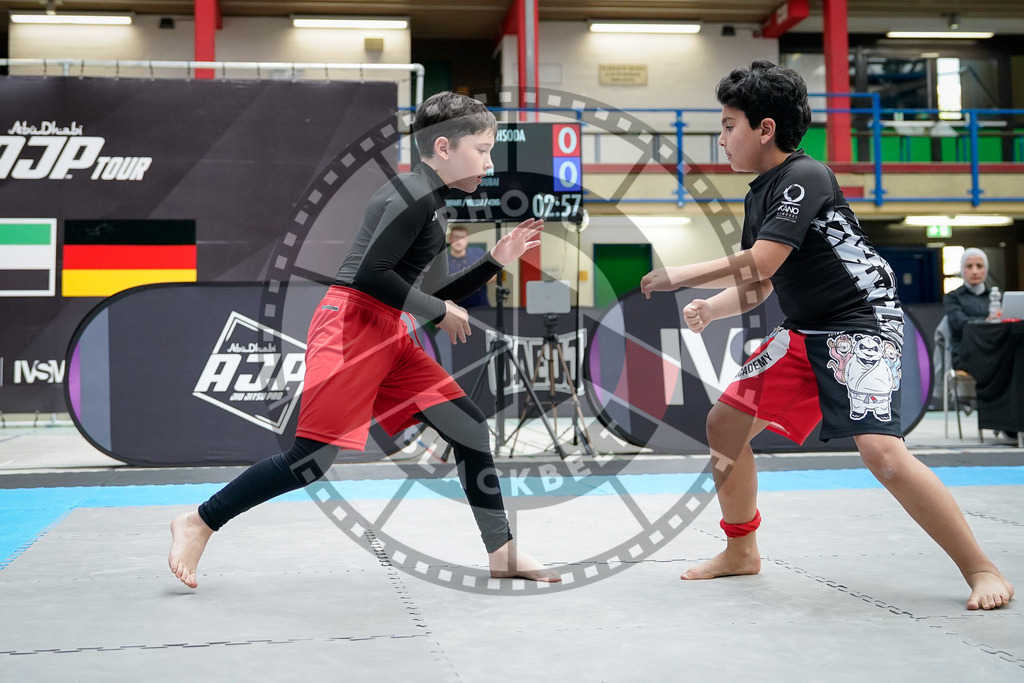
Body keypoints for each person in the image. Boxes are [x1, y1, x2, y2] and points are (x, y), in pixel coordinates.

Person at [640, 60, 1012, 610]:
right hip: (804, 331)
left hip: (862, 323)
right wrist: (712, 309)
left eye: (728, 125)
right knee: (725, 423)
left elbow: (761, 260)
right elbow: (759, 283)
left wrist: (680, 275)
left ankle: (981, 568)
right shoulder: (758, 194)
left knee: (883, 455)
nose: (720, 139)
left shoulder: (807, 175)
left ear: (765, 129)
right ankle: (741, 550)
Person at [169, 91, 560, 589]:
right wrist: (438, 312)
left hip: (387, 330)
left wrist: (494, 261)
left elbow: (433, 291)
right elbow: (372, 278)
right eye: (482, 150)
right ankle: (199, 521)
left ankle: (501, 552)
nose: (489, 163)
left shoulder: (433, 202)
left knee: (468, 428)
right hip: (351, 327)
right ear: (444, 148)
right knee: (308, 461)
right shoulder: (411, 196)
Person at [943, 248, 996, 370]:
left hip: (993, 349)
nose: (974, 271)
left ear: (986, 269)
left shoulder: (996, 297)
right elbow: (960, 324)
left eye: (979, 266)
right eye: (969, 266)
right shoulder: (953, 297)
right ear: (962, 269)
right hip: (965, 353)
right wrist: (987, 322)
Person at [447, 225, 492, 309]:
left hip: (480, 305)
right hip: (454, 307)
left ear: (467, 240)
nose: (459, 241)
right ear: (450, 239)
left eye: (462, 237)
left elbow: (494, 275)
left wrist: (476, 280)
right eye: (456, 237)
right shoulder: (443, 261)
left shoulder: (479, 254)